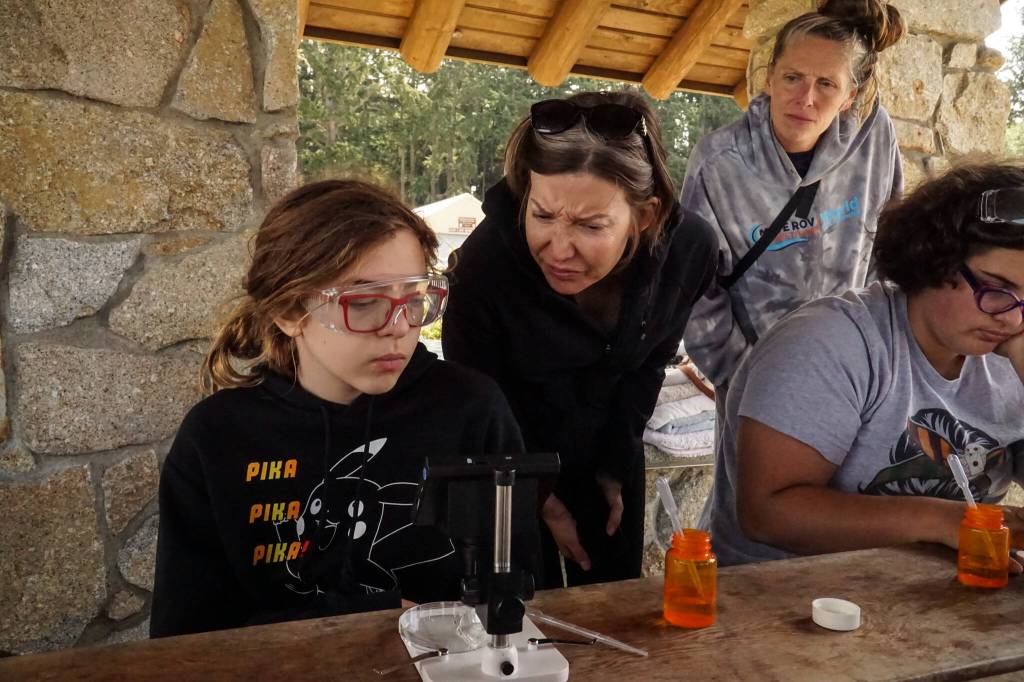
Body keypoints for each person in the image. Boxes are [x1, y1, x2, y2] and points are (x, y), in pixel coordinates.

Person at [151, 180, 527, 637]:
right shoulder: (218, 438)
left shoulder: (472, 410)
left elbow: (521, 600)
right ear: (289, 311)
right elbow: (185, 636)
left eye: (413, 300)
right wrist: (373, 620)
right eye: (362, 303)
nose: (396, 328)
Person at [442, 90, 717, 587]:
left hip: (613, 447)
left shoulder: (689, 251)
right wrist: (541, 499)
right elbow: (476, 402)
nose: (558, 249)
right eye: (542, 216)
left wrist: (614, 467)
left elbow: (650, 361)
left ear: (645, 216)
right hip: (509, 460)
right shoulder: (484, 267)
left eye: (591, 225)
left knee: (616, 604)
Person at [700, 162, 1024, 567]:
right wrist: (943, 521)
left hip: (939, 604)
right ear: (934, 258)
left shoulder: (1010, 349)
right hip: (787, 602)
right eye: (997, 289)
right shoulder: (827, 344)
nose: (1012, 319)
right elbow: (767, 514)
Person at [681, 0, 906, 394]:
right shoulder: (719, 163)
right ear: (769, 78)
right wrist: (747, 377)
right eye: (792, 78)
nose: (806, 99)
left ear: (850, 95)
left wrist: (878, 353)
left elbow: (892, 245)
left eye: (826, 84)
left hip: (852, 375)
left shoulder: (874, 139)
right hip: (755, 383)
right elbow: (694, 287)